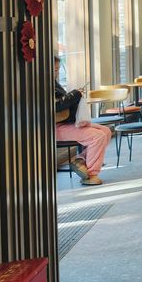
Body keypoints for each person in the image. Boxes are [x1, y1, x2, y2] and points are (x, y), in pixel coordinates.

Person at [54, 56, 111, 186]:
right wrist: (75, 94)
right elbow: (56, 106)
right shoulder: (42, 85)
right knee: (97, 136)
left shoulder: (53, 83)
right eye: (54, 69)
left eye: (57, 69)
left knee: (106, 131)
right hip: (56, 127)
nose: (56, 73)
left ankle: (80, 161)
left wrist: (75, 94)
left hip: (66, 123)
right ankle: (91, 174)